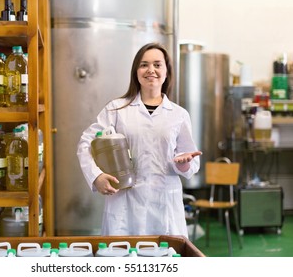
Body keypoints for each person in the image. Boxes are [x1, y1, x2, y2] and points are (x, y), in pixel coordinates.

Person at [77, 42, 202, 237]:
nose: (150, 70)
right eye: (144, 65)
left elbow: (190, 161)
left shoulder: (179, 115)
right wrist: (96, 176)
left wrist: (184, 163)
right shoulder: (117, 109)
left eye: (157, 65)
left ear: (167, 72)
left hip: (164, 205)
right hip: (124, 204)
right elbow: (86, 143)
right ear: (136, 71)